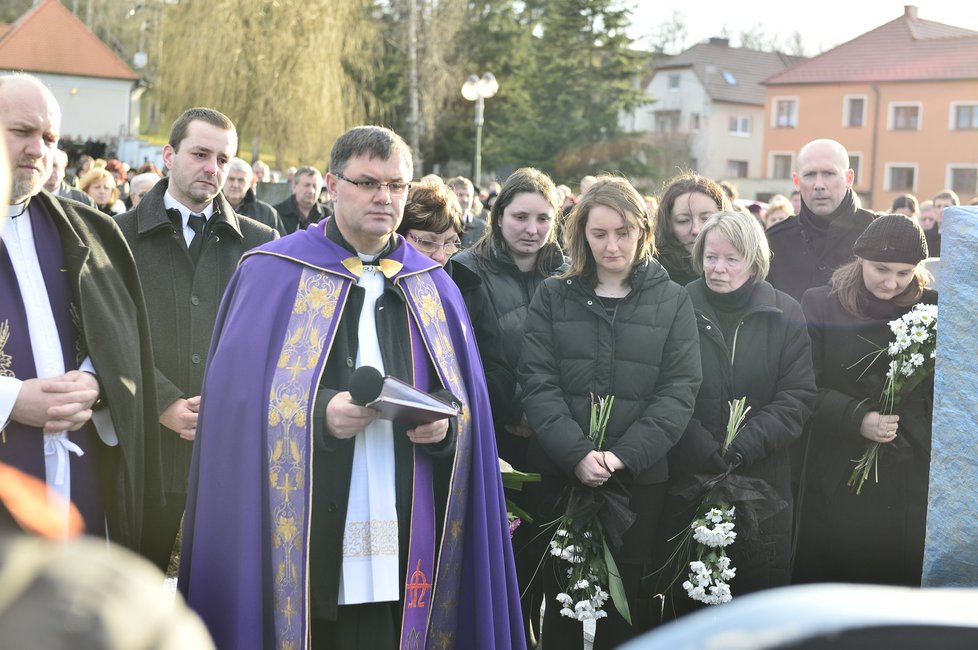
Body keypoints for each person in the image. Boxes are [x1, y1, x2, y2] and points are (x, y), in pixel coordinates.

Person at [178, 125, 524, 650]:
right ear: (333, 185)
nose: (384, 197)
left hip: (409, 525)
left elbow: (467, 406)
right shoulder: (272, 271)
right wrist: (320, 415)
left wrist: (444, 426)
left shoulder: (433, 286)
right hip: (308, 529)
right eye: (367, 182)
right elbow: (232, 406)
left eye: (397, 185)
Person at [518, 176, 702, 648]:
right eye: (599, 234)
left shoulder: (671, 298)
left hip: (638, 482)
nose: (611, 245)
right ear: (581, 233)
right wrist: (576, 453)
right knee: (562, 601)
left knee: (631, 607)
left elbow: (679, 390)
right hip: (564, 474)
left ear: (642, 230)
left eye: (622, 232)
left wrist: (621, 457)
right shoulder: (553, 296)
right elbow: (538, 383)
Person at [0, 73, 162, 550]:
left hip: (79, 474)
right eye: (22, 132)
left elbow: (121, 337)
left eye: (49, 138)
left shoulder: (88, 232)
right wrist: (11, 402)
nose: (38, 149)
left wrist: (96, 380)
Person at [116, 107, 278, 572]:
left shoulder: (261, 244)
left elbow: (275, 343)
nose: (213, 168)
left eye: (223, 159)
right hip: (145, 452)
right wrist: (161, 400)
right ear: (169, 155)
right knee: (137, 593)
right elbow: (106, 338)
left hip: (232, 452)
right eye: (200, 154)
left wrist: (229, 403)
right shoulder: (117, 235)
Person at [657, 211, 815, 616]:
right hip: (691, 474)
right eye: (711, 257)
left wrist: (744, 444)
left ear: (753, 261)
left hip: (763, 482)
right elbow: (662, 389)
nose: (718, 268)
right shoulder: (677, 305)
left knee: (754, 609)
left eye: (731, 259)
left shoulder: (785, 312)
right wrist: (699, 444)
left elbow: (796, 397)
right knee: (691, 602)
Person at [793, 214, 935, 586]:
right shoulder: (821, 304)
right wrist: (858, 418)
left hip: (907, 470)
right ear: (860, 260)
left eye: (905, 273)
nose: (892, 282)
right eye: (881, 269)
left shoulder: (931, 310)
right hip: (839, 468)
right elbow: (803, 386)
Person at [396, 181, 518, 431]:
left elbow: (497, 373)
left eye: (450, 242)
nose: (440, 256)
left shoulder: (468, 287)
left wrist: (455, 410)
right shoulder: (382, 285)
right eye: (427, 242)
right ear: (399, 236)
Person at [766, 139, 877, 302]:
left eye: (829, 174)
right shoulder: (773, 242)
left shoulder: (878, 234)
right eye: (810, 175)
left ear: (849, 178)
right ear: (796, 181)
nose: (819, 185)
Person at [653, 171, 731, 285]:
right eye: (683, 221)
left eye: (706, 219)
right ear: (668, 225)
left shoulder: (744, 270)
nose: (696, 230)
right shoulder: (651, 274)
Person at [223, 157, 286, 234]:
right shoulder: (209, 208)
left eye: (241, 180)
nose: (235, 185)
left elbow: (279, 244)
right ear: (223, 179)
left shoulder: (267, 213)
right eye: (231, 179)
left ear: (250, 183)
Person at [274, 165, 326, 233]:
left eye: (315, 186)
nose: (311, 191)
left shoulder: (328, 216)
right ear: (294, 186)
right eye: (307, 185)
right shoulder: (276, 215)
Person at [447, 176, 488, 247]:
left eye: (468, 196)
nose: (465, 200)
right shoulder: (440, 225)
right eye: (460, 195)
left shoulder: (482, 228)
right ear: (449, 196)